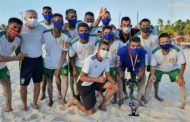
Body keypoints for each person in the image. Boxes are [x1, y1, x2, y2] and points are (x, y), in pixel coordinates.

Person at [67, 41, 118, 115]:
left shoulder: (106, 60)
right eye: (103, 49)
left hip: (95, 82)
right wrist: (98, 79)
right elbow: (82, 77)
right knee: (90, 112)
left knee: (114, 87)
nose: (105, 51)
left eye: (107, 50)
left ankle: (102, 105)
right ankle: (75, 101)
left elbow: (108, 75)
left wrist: (115, 83)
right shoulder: (90, 60)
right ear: (98, 49)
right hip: (84, 85)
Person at [144, 33, 186, 109]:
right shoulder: (155, 52)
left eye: (167, 41)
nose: (165, 43)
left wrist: (181, 76)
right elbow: (153, 66)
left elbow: (183, 63)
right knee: (150, 81)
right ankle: (146, 99)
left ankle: (183, 102)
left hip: (173, 68)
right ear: (159, 43)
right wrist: (152, 74)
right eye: (162, 42)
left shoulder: (177, 50)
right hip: (159, 68)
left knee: (181, 82)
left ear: (170, 41)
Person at [20, 9, 46, 111]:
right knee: (23, 85)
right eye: (30, 17)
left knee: (37, 83)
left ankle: (35, 103)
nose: (33, 19)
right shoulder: (20, 29)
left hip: (38, 60)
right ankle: (24, 105)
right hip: (25, 61)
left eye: (35, 17)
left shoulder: (42, 28)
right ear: (25, 18)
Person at [42, 13, 70, 106]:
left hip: (62, 63)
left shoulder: (66, 35)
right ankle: (50, 99)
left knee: (65, 79)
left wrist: (58, 68)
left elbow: (64, 52)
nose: (60, 22)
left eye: (61, 20)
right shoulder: (45, 34)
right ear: (52, 22)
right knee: (50, 83)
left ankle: (63, 98)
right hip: (49, 63)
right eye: (58, 20)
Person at [95, 26, 126, 104]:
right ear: (102, 33)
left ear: (112, 33)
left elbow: (126, 50)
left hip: (114, 67)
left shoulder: (118, 42)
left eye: (109, 33)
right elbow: (96, 55)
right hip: (102, 67)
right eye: (105, 33)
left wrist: (120, 66)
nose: (107, 34)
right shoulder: (99, 43)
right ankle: (101, 96)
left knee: (115, 83)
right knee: (102, 83)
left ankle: (115, 98)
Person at [0, 18, 25, 112]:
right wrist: (15, 58)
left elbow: (17, 50)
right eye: (14, 27)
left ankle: (8, 107)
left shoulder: (18, 39)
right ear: (7, 27)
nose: (16, 30)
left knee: (7, 84)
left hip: (2, 67)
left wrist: (20, 54)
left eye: (19, 28)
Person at [69, 22, 97, 100]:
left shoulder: (94, 38)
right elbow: (71, 57)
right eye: (81, 31)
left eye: (85, 30)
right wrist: (74, 69)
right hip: (79, 66)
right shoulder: (74, 42)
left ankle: (90, 97)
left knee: (91, 83)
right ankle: (76, 98)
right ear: (78, 32)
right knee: (78, 84)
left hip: (91, 66)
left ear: (89, 31)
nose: (83, 32)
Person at [117, 37, 147, 105]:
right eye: (133, 46)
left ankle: (138, 99)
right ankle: (121, 97)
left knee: (143, 77)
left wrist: (142, 71)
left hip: (136, 64)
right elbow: (118, 64)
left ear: (140, 45)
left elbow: (143, 65)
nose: (135, 48)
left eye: (138, 46)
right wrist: (120, 71)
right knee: (119, 76)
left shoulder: (143, 51)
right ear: (128, 45)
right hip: (124, 64)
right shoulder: (122, 51)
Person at [136, 18, 160, 102]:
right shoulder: (137, 38)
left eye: (147, 25)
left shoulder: (155, 37)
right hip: (142, 63)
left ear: (150, 26)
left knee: (153, 80)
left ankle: (149, 96)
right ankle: (139, 97)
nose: (145, 27)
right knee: (142, 79)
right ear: (140, 26)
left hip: (154, 62)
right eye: (143, 25)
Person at [40, 6, 54, 101]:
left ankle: (58, 96)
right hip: (43, 55)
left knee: (56, 77)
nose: (47, 14)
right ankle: (43, 93)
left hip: (54, 55)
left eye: (49, 12)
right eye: (45, 12)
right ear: (42, 14)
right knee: (44, 78)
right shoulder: (39, 25)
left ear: (52, 13)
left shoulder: (56, 24)